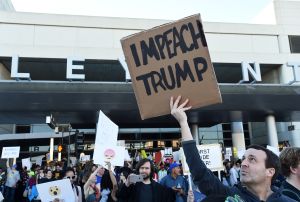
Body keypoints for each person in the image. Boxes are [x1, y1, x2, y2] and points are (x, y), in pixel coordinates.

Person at [170, 96, 296, 202]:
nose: (244, 164)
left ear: (270, 171)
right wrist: (183, 123)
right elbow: (199, 170)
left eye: (252, 160)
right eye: (243, 159)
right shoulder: (229, 196)